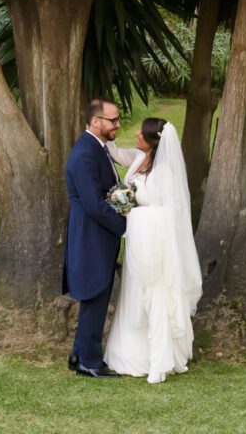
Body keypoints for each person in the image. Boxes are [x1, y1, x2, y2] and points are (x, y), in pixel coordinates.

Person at [104, 118, 203, 384]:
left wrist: (133, 214)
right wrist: (101, 128)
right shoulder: (138, 158)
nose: (135, 133)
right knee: (134, 295)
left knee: (156, 298)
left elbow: (169, 213)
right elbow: (115, 153)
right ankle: (130, 352)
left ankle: (159, 362)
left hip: (155, 246)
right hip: (137, 243)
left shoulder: (165, 173)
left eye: (141, 132)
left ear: (153, 140)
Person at [63, 98, 126, 378]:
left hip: (97, 235)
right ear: (96, 122)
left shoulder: (96, 148)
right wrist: (124, 226)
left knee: (96, 295)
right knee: (95, 293)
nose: (118, 124)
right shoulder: (85, 154)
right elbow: (93, 204)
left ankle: (79, 354)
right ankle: (89, 361)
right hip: (91, 236)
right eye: (113, 120)